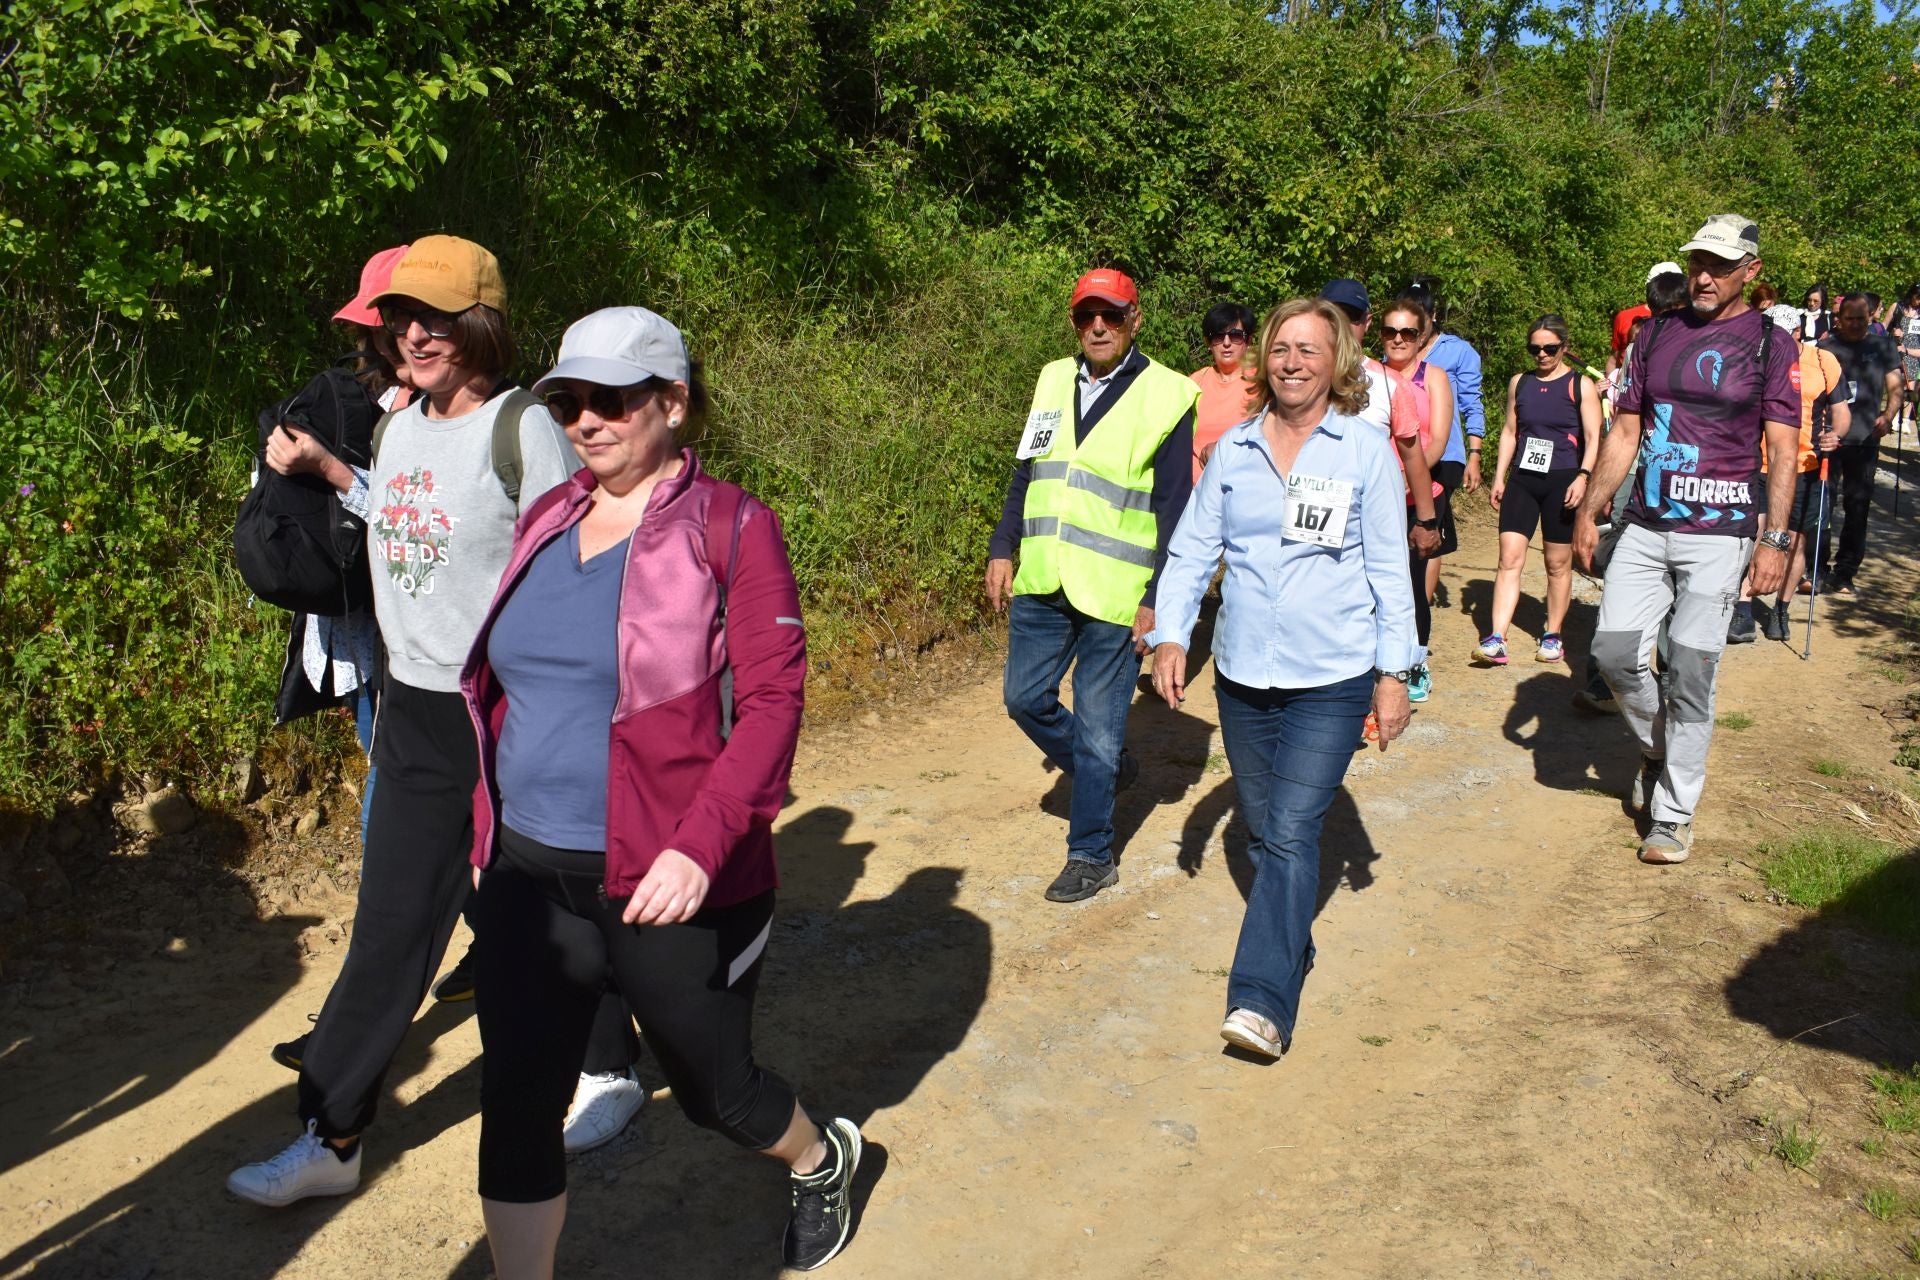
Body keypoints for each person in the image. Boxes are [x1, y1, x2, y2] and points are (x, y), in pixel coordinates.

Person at [227, 236, 643, 1207]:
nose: (414, 333)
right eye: (402, 316)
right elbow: (396, 524)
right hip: (415, 710)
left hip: (508, 711)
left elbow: (575, 565)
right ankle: (333, 1132)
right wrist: (337, 478)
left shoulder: (522, 428)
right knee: (388, 929)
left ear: (480, 324)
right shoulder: (400, 427)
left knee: (545, 912)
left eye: (437, 317)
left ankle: (610, 1069)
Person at [460, 307, 860, 1277]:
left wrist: (699, 842)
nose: (585, 420)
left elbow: (773, 701)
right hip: (527, 871)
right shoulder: (548, 518)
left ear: (673, 403)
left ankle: (820, 1156)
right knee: (517, 1095)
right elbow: (505, 684)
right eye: (567, 400)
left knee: (713, 1092)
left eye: (611, 399)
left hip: (665, 877)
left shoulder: (732, 524)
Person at [1144, 296, 1416, 1058]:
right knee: (1265, 830)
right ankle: (1291, 940)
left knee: (1292, 833)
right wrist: (1172, 634)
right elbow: (1194, 550)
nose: (1293, 362)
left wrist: (1394, 674)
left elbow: (1393, 574)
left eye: (1310, 349)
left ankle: (1261, 1000)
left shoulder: (1364, 451)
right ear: (1265, 360)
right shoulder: (1234, 451)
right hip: (1242, 675)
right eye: (1281, 349)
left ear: (1338, 364)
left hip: (1332, 674)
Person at [1575, 214, 1799, 865]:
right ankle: (1660, 749)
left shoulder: (1769, 343)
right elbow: (1624, 433)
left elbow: (1782, 450)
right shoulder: (1656, 334)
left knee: (1693, 672)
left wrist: (1776, 541)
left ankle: (1673, 814)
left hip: (1721, 534)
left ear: (1750, 272)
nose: (1704, 274)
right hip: (1645, 524)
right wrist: (1591, 510)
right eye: (1698, 261)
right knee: (1615, 656)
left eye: (1721, 265)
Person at [985, 267, 1196, 903]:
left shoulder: (1169, 394)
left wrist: (1159, 595)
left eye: (1110, 314)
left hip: (1115, 590)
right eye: (1085, 316)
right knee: (1024, 699)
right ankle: (1105, 772)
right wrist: (1003, 546)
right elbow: (1029, 471)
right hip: (1044, 575)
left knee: (1102, 730)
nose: (1097, 326)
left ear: (1136, 319)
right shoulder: (1053, 378)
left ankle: (1091, 853)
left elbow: (1174, 506)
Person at [1574, 268, 1693, 715]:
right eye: (1654, 315)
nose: (1660, 323)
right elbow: (1621, 430)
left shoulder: (1707, 354)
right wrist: (1596, 495)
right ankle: (1604, 682)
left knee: (1676, 586)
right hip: (1633, 479)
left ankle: (1668, 685)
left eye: (1669, 314)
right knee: (1626, 571)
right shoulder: (1639, 350)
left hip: (1685, 490)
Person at [1476, 316, 1601, 666]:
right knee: (1508, 557)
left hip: (1563, 480)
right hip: (1524, 479)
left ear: (1564, 346)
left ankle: (1553, 634)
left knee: (1557, 563)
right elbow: (1509, 432)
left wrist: (1583, 476)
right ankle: (1497, 637)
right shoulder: (1521, 382)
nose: (1542, 355)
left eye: (1550, 348)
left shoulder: (1581, 385)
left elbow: (1593, 438)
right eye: (1535, 349)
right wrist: (1499, 477)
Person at [1734, 326, 1849, 640]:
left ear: (1798, 331)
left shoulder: (1822, 360)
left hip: (1806, 465)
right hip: (1758, 463)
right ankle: (1743, 609)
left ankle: (1780, 610)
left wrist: (1835, 435)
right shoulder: (1756, 357)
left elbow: (1841, 411)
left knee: (1796, 541)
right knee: (1754, 536)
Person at [1370, 292, 1449, 701]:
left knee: (1412, 585)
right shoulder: (1368, 376)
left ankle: (1413, 663)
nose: (1398, 339)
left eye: (1408, 332)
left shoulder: (1432, 377)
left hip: (1416, 494)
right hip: (1372, 495)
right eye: (1390, 330)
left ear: (1422, 336)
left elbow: (1434, 440)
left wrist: (1405, 480)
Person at [1397, 279, 1483, 612]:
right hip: (1401, 454)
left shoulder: (1459, 352)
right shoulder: (1395, 347)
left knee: (1426, 529)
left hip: (1444, 456)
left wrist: (1474, 455)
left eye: (1420, 317)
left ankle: (1417, 608)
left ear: (1433, 316)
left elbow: (1472, 403)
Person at [1818, 292, 1907, 596]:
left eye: (1860, 318)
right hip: (1828, 439)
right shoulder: (1826, 347)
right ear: (1839, 319)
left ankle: (1845, 572)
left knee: (1857, 508)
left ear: (1870, 317)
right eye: (1849, 318)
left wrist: (1888, 415)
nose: (1855, 324)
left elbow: (1896, 387)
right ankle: (1816, 567)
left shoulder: (1882, 346)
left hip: (1865, 437)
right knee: (1822, 506)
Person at [1191, 302, 1259, 479]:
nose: (1227, 343)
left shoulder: (1263, 383)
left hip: (1242, 486)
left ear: (1248, 340)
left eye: (1236, 336)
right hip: (1193, 493)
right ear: (1208, 342)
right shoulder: (1194, 382)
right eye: (1218, 336)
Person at [1607, 262, 1681, 379]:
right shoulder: (1625, 317)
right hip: (1626, 385)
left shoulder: (1686, 320)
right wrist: (1610, 388)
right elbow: (1614, 359)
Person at [1892, 283, 1920, 433]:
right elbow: (1884, 327)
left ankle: (1906, 420)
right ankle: (1895, 417)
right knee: (1897, 387)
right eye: (1917, 297)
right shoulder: (1898, 307)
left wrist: (1909, 350)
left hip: (1913, 353)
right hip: (1896, 351)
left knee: (1910, 388)